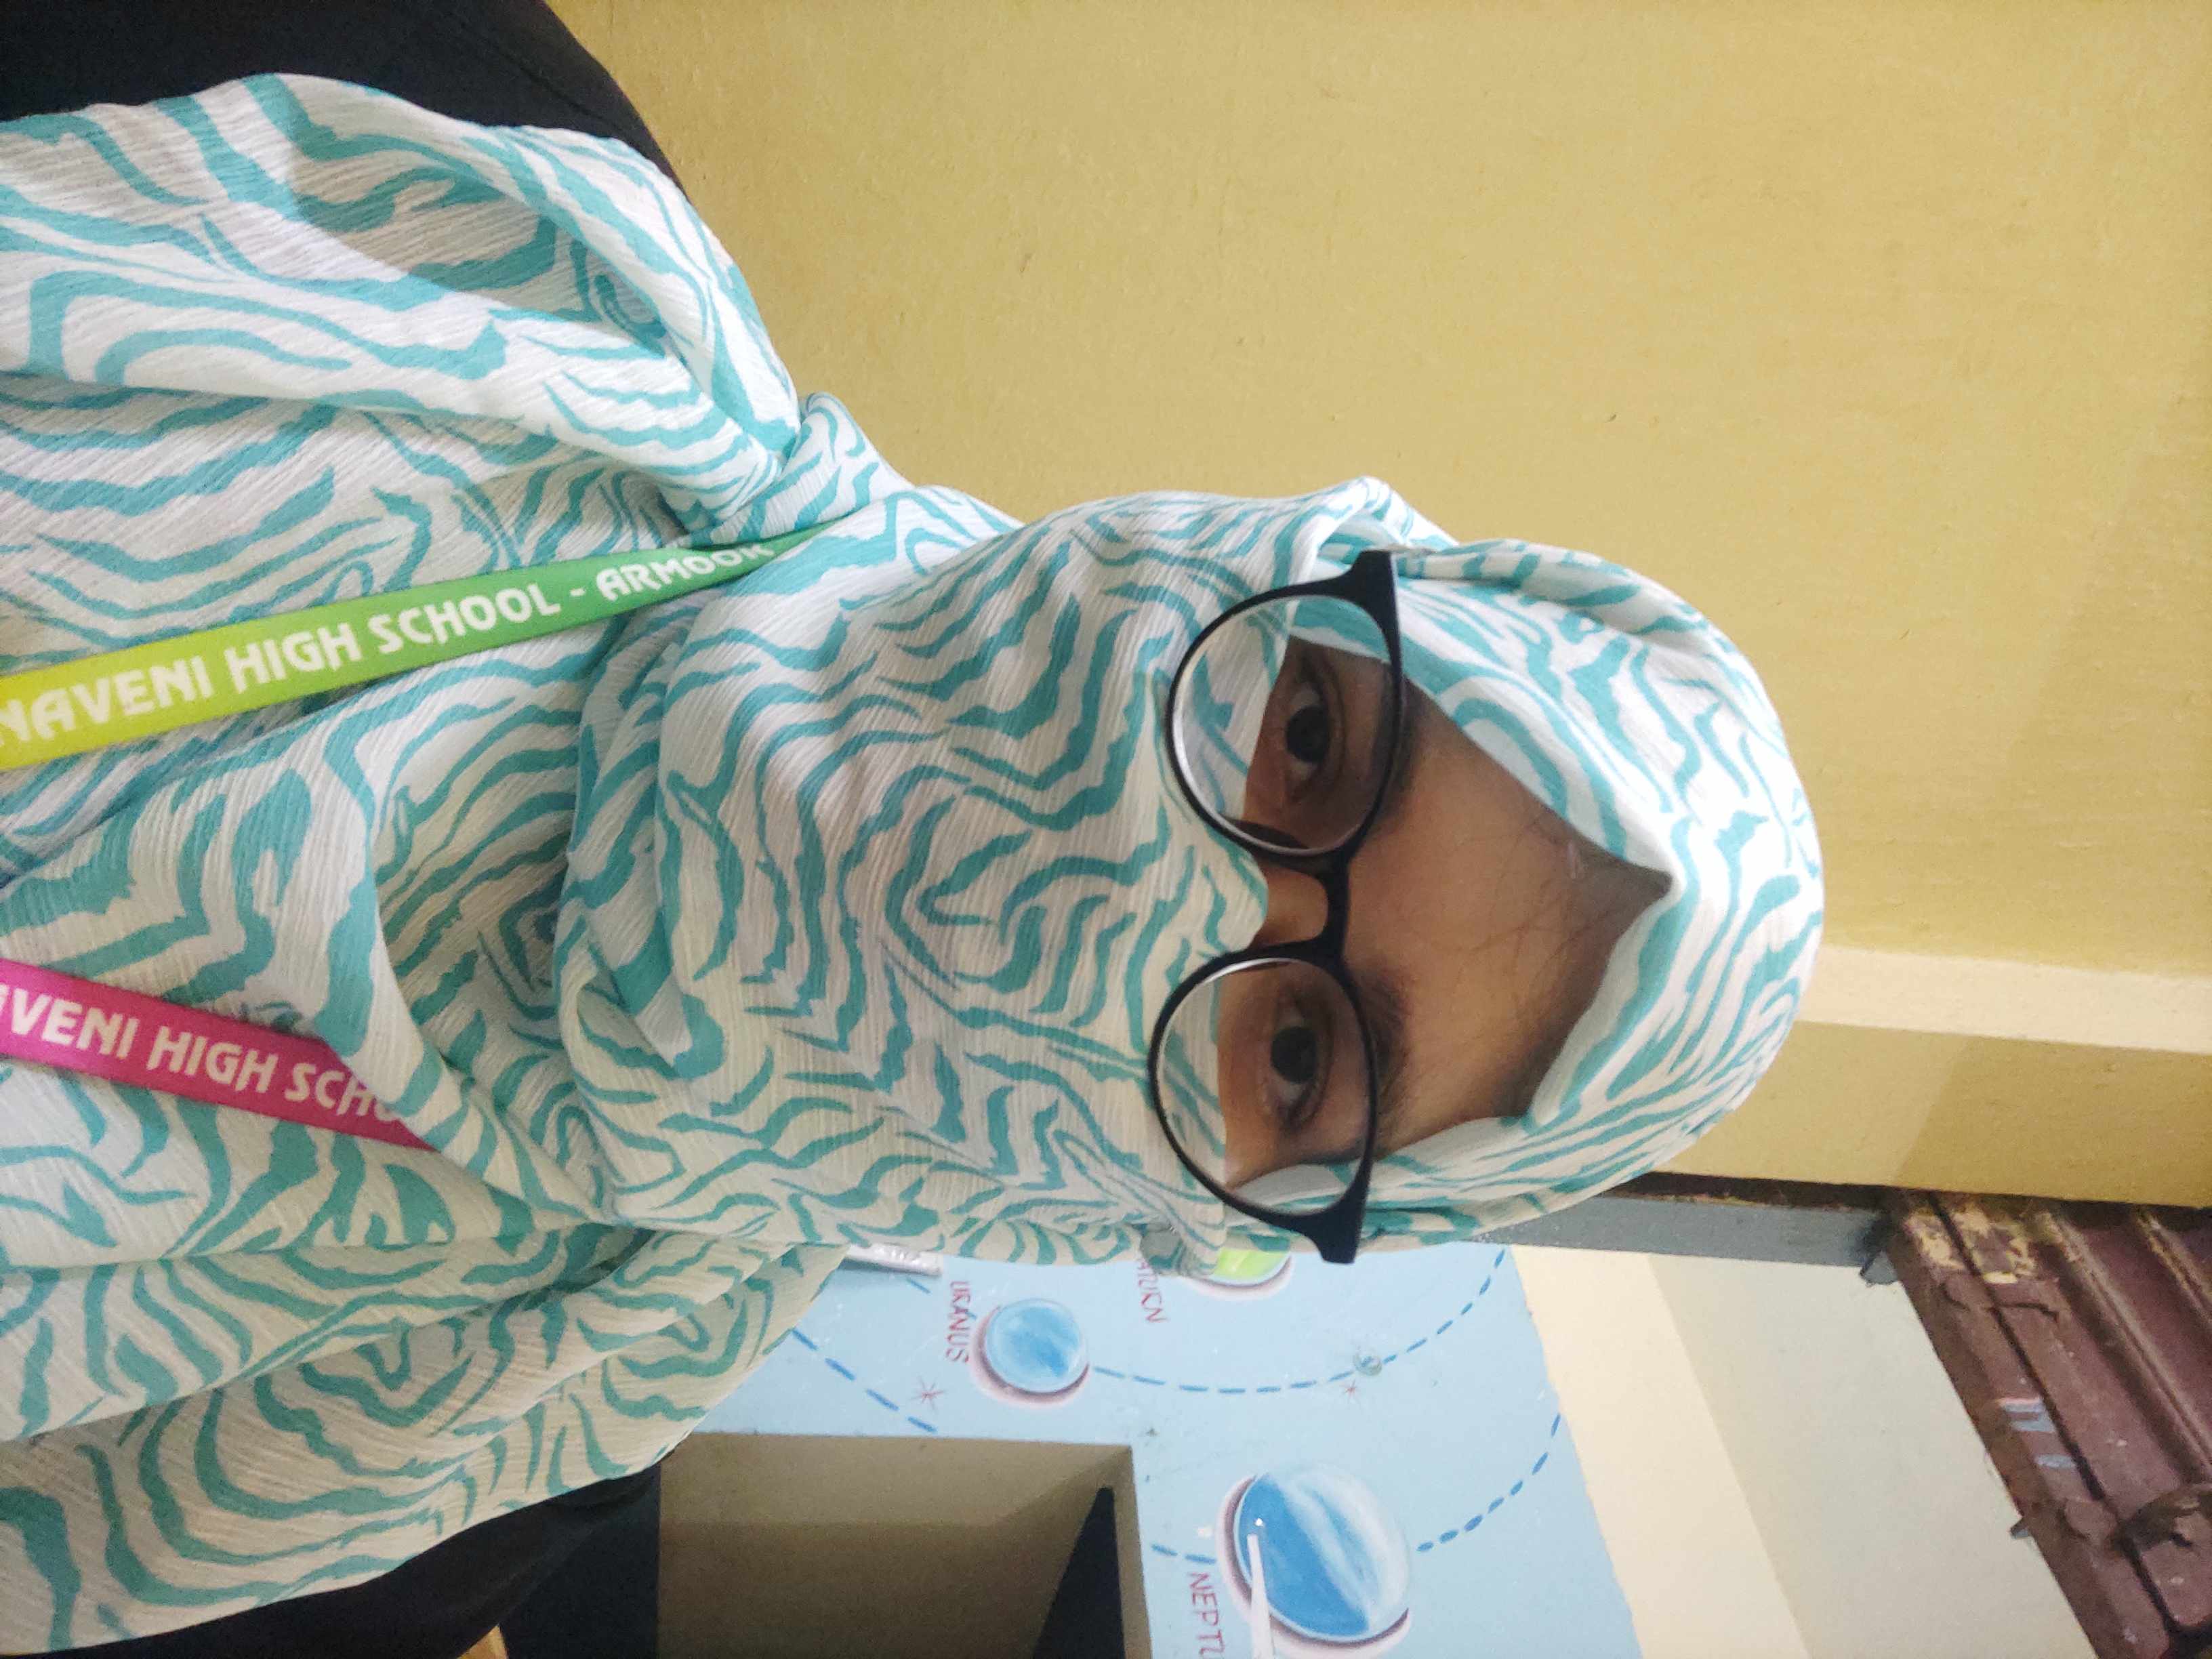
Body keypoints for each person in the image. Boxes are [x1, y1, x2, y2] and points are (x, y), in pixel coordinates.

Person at [0, 3, 1824, 1652]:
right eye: (1308, 740)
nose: (1141, 894)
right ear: (1277, 553)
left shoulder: (505, 1418)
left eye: (1293, 1048)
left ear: (1219, 1213)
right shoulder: (494, 223)